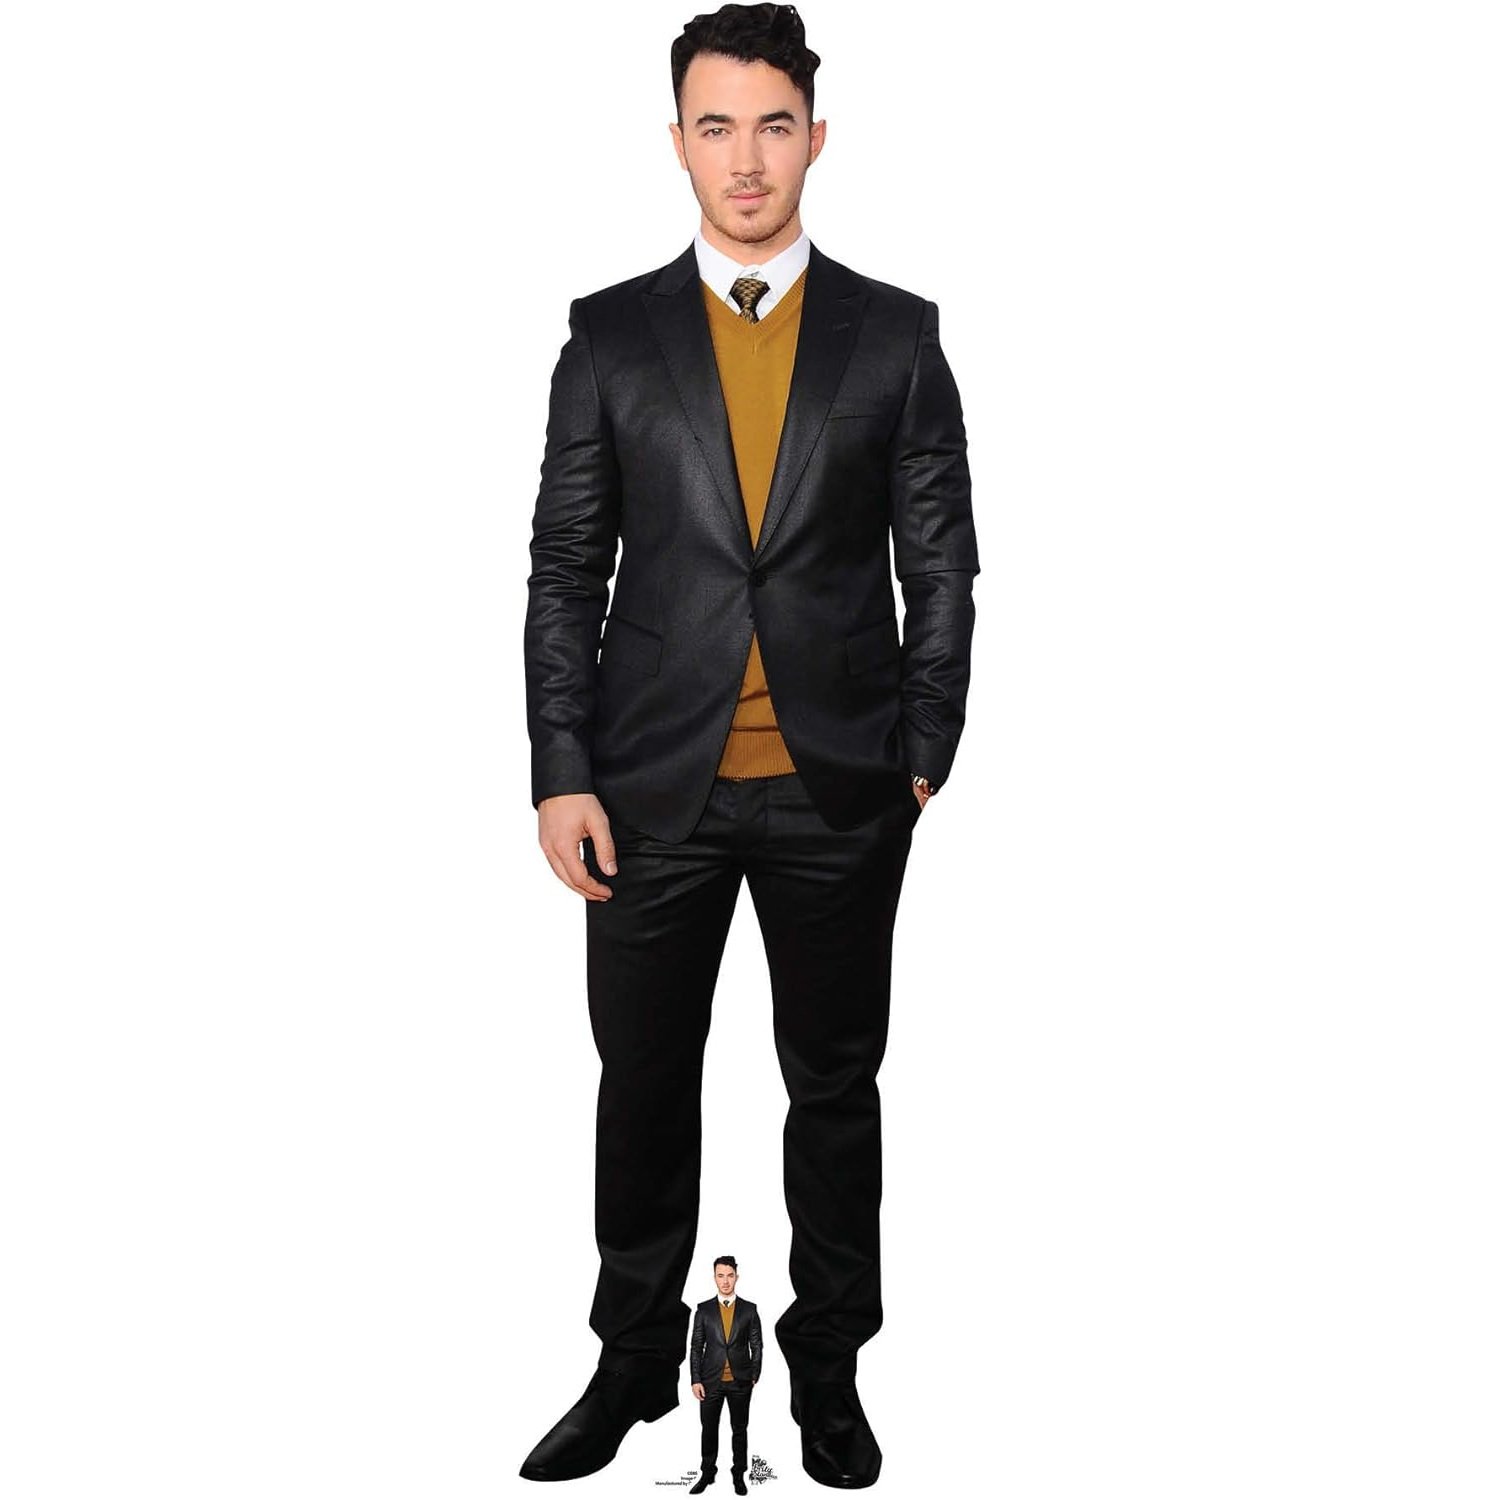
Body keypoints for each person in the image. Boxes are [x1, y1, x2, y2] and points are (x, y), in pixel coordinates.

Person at [519, 3, 979, 1488]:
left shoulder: (895, 336)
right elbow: (565, 567)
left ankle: (828, 1366)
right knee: (643, 1085)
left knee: (834, 1093)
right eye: (715, 126)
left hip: (842, 788)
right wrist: (561, 770)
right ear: (677, 142)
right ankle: (633, 1363)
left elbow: (942, 561)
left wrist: (924, 742)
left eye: (774, 125)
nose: (746, 159)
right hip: (650, 790)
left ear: (816, 139)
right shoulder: (610, 335)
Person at [688, 1257, 763, 1494]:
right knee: (709, 1430)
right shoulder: (703, 1310)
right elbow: (696, 1347)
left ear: (736, 1277)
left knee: (739, 1430)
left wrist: (754, 1374)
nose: (725, 1281)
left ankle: (739, 1475)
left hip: (741, 1381)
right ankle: (707, 1473)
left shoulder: (749, 1309)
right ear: (714, 1278)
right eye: (720, 1276)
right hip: (710, 1382)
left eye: (730, 1275)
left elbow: (757, 1345)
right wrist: (695, 1379)